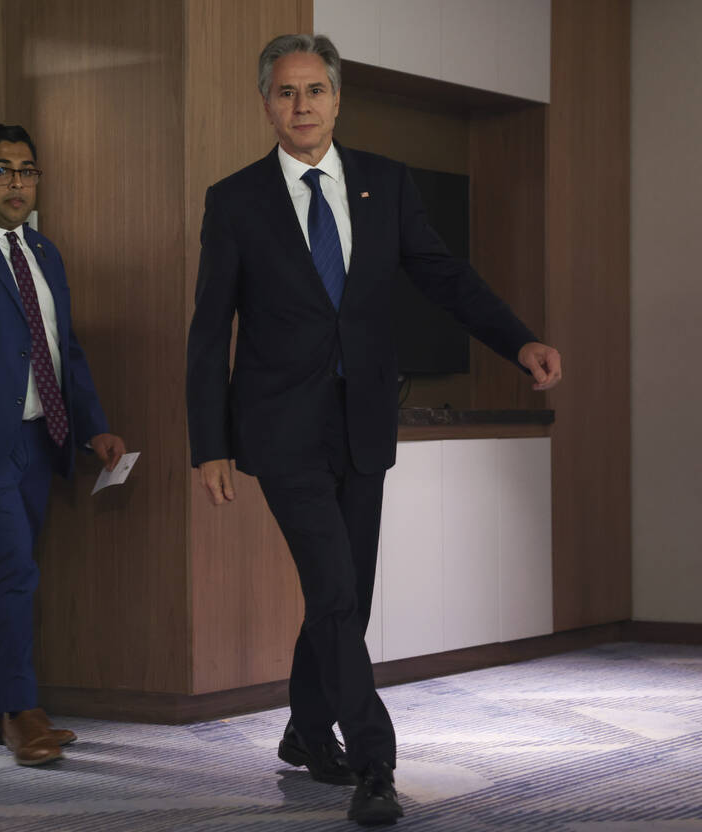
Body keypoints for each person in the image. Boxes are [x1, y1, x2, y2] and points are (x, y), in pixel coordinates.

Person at [185, 34, 563, 826]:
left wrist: (517, 340)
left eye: (315, 90)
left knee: (344, 599)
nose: (302, 107)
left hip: (361, 423)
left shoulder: (384, 186)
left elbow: (443, 276)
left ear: (336, 98)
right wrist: (209, 442)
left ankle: (302, 727)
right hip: (280, 427)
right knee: (331, 588)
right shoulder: (236, 199)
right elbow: (208, 326)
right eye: (286, 93)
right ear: (266, 103)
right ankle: (375, 764)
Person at [0, 123, 125, 766]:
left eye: (26, 170)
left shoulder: (46, 253)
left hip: (38, 438)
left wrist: (93, 425)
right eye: (1, 169)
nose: (16, 182)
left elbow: (64, 350)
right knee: (12, 570)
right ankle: (24, 712)